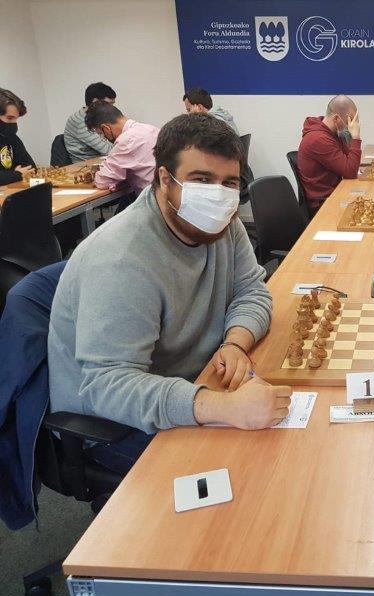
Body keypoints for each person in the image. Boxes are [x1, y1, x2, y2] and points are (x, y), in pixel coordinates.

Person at [48, 113, 291, 474]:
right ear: (165, 179)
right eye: (202, 180)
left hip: (195, 382)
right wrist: (223, 408)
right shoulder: (120, 259)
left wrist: (235, 343)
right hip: (120, 425)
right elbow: (108, 387)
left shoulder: (224, 224)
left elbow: (252, 290)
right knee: (254, 473)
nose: (218, 195)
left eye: (228, 182)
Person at [297, 95, 361, 216]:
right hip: (323, 204)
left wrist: (348, 138)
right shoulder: (319, 139)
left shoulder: (331, 132)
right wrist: (356, 138)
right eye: (349, 121)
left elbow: (348, 160)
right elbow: (350, 171)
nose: (351, 126)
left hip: (335, 192)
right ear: (336, 118)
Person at [85, 101, 159, 195]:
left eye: (101, 134)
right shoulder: (151, 129)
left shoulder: (126, 141)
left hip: (154, 199)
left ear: (106, 128)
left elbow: (102, 182)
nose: (104, 138)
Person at [64, 82, 116, 163]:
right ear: (95, 102)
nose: (112, 108)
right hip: (85, 166)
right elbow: (108, 150)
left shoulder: (99, 116)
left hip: (103, 160)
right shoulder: (80, 121)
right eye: (109, 104)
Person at [0, 88, 35, 185]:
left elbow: (30, 167)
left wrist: (8, 176)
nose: (13, 123)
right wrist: (16, 174)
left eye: (16, 119)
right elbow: (21, 173)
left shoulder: (12, 137)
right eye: (9, 118)